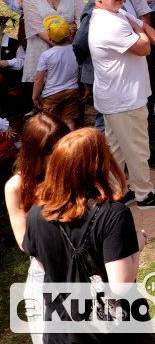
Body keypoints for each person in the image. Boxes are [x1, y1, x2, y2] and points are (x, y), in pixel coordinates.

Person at [21, 128, 153, 338]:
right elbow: (119, 286)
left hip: (62, 329)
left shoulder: (36, 213)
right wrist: (135, 247)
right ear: (100, 164)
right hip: (113, 332)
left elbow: (42, 264)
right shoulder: (113, 214)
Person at [89, 0, 155, 208]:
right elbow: (143, 47)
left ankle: (117, 192)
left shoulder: (117, 14)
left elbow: (144, 27)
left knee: (117, 148)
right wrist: (141, 32)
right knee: (137, 148)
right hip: (124, 98)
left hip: (120, 97)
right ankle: (145, 194)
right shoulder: (108, 23)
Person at [4, 113, 69, 344]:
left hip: (83, 267)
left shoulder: (72, 175)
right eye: (50, 151)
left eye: (62, 147)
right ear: (34, 151)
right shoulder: (16, 186)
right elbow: (25, 243)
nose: (57, 157)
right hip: (45, 272)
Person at [21, 0, 84, 95]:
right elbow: (38, 29)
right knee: (47, 91)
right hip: (44, 47)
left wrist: (70, 45)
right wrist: (63, 44)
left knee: (72, 91)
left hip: (71, 45)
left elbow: (81, 20)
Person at [31, 16, 81, 131]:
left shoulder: (46, 55)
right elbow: (79, 70)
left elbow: (39, 79)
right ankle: (70, 146)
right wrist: (83, 86)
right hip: (72, 91)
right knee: (69, 121)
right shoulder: (75, 50)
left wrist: (34, 97)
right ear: (69, 34)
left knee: (51, 123)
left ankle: (53, 146)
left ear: (49, 37)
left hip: (52, 94)